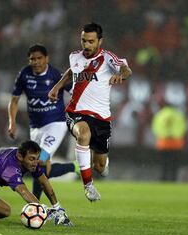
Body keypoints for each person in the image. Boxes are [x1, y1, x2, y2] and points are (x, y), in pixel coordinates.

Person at [48, 23, 132, 201]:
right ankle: (88, 186)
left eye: (91, 42)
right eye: (83, 41)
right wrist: (57, 86)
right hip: (75, 111)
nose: (86, 45)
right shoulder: (74, 56)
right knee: (83, 134)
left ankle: (102, 165)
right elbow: (72, 72)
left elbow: (126, 69)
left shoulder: (107, 58)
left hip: (101, 118)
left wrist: (120, 75)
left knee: (99, 166)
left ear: (100, 41)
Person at [8, 44, 79, 200]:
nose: (36, 62)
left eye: (39, 58)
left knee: (37, 162)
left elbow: (76, 93)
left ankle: (36, 205)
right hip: (35, 128)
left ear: (47, 58)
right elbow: (14, 101)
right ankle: (75, 167)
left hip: (56, 124)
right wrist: (12, 123)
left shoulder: (55, 75)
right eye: (32, 59)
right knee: (42, 171)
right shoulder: (24, 75)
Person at [151, 104, 187, 181]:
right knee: (174, 164)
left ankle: (163, 178)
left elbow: (155, 128)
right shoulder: (178, 115)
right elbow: (183, 128)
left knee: (164, 163)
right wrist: (173, 134)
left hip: (163, 143)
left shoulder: (160, 114)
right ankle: (173, 179)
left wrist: (165, 134)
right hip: (176, 143)